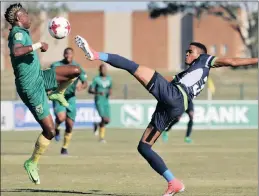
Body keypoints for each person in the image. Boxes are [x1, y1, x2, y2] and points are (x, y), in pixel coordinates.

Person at [75, 35, 258, 196]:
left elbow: (233, 62)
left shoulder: (204, 59)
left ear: (199, 54)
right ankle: (173, 182)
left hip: (174, 96)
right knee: (144, 147)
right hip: (174, 104)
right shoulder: (187, 73)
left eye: (190, 51)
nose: (187, 53)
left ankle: (96, 54)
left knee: (132, 66)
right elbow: (168, 81)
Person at [5, 3, 82, 185]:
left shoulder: (22, 32)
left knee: (75, 70)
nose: (29, 17)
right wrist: (38, 45)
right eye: (25, 15)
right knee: (50, 130)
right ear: (18, 18)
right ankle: (32, 162)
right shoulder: (17, 33)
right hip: (30, 87)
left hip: (40, 77)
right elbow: (16, 52)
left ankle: (57, 93)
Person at [51, 47, 88, 154]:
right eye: (66, 54)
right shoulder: (56, 65)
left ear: (73, 55)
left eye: (70, 54)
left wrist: (81, 86)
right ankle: (56, 129)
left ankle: (64, 148)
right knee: (61, 117)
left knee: (70, 124)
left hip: (71, 97)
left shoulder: (77, 67)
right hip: (58, 95)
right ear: (63, 54)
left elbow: (85, 82)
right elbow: (49, 78)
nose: (68, 56)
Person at [88, 64, 112, 143]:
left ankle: (97, 125)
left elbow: (110, 88)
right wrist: (98, 92)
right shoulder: (96, 79)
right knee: (104, 118)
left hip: (106, 101)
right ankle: (101, 138)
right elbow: (90, 90)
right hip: (99, 101)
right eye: (102, 69)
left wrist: (110, 91)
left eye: (105, 69)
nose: (104, 71)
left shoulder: (109, 79)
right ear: (100, 70)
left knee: (107, 120)